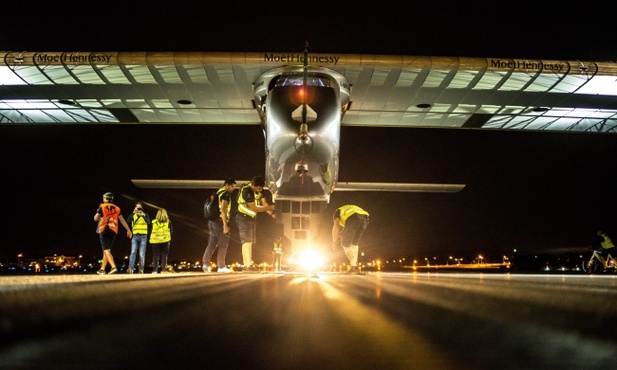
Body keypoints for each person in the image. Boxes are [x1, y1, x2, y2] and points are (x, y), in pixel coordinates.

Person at [236, 175, 276, 272]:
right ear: (254, 185)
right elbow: (254, 207)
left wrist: (272, 214)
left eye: (261, 188)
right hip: (243, 217)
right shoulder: (247, 190)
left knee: (250, 241)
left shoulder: (260, 190)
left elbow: (264, 203)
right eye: (258, 187)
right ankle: (247, 265)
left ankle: (248, 265)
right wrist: (270, 207)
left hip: (251, 218)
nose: (260, 189)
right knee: (246, 241)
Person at [202, 178, 236, 273]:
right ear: (227, 185)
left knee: (211, 243)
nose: (233, 188)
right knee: (223, 244)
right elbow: (224, 209)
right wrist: (225, 224)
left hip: (212, 221)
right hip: (220, 222)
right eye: (232, 186)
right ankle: (221, 266)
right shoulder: (226, 194)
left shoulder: (217, 193)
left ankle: (205, 264)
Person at [94, 192, 132, 275]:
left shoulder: (102, 206)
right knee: (107, 250)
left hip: (104, 229)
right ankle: (102, 269)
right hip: (113, 230)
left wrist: (100, 216)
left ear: (106, 199)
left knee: (106, 249)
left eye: (104, 198)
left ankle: (113, 267)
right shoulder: (117, 208)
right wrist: (128, 230)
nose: (103, 199)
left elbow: (95, 218)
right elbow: (122, 220)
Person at [331, 204, 369, 273]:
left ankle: (354, 266)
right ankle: (355, 267)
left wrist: (334, 242)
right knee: (354, 243)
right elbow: (350, 228)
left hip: (353, 217)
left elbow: (335, 227)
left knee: (345, 244)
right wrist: (343, 233)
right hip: (365, 219)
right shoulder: (346, 210)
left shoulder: (337, 212)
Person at [127, 201, 151, 273]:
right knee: (133, 252)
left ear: (142, 208)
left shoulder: (145, 215)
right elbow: (128, 220)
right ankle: (130, 268)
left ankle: (141, 269)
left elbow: (148, 222)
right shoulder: (133, 215)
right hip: (135, 236)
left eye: (139, 207)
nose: (138, 208)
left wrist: (142, 215)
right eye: (137, 207)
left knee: (141, 254)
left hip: (143, 236)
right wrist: (133, 212)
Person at [150, 208, 173, 274]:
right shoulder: (168, 222)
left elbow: (151, 230)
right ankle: (163, 269)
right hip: (165, 240)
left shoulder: (153, 222)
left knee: (155, 255)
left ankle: (155, 270)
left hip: (155, 241)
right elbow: (171, 231)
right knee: (164, 255)